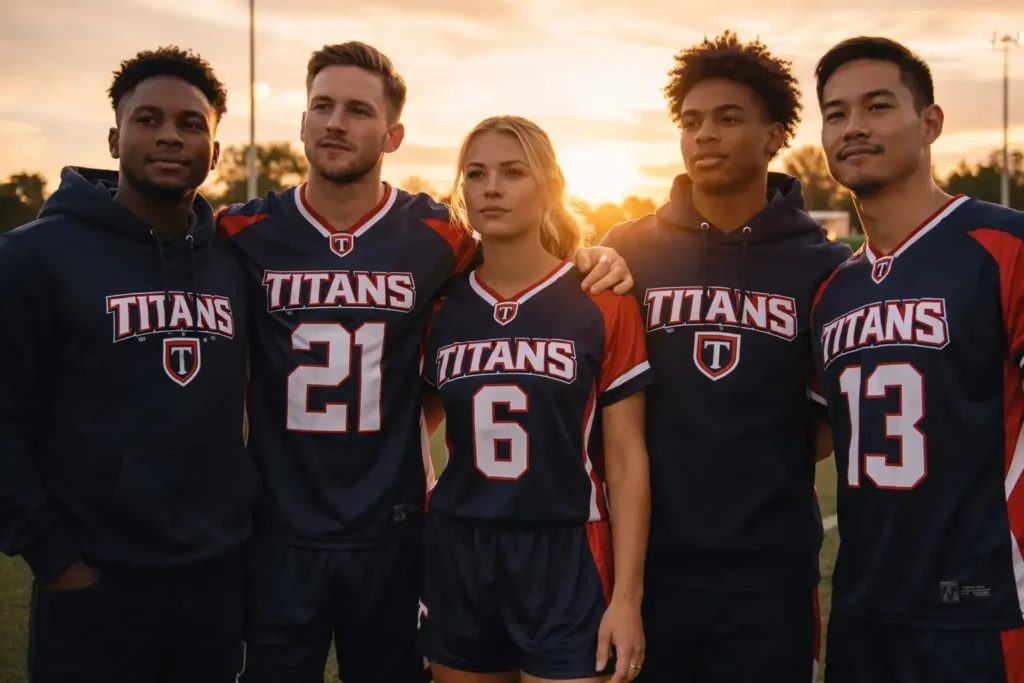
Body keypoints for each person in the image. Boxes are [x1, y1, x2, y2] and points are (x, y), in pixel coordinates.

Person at [216, 42, 635, 683]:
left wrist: (594, 259)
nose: (335, 122)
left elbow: (520, 281)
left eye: (358, 110)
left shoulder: (437, 239)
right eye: (321, 106)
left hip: (398, 534)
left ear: (393, 133)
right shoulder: (238, 232)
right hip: (278, 534)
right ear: (301, 121)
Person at [600, 31, 852, 683]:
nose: (704, 134)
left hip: (769, 579)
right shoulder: (627, 249)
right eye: (691, 121)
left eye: (728, 117)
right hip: (647, 570)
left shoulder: (823, 264)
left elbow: (822, 431)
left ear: (775, 135)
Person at [0, 47, 255, 682]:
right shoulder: (33, 258)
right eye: (149, 119)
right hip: (94, 586)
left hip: (214, 585)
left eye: (191, 123)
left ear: (215, 151)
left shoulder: (231, 261)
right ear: (115, 137)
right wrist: (58, 562)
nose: (170, 135)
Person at [810, 36, 1024, 683]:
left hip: (984, 609)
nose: (854, 127)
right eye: (836, 113)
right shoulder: (831, 292)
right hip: (863, 610)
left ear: (930, 121)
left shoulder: (1003, 246)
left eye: (877, 106)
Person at [417, 114, 652, 683]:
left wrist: (626, 599)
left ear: (551, 187)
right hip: (461, 552)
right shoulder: (440, 308)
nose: (491, 187)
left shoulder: (601, 299)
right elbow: (405, 430)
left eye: (513, 172)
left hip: (567, 550)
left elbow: (625, 461)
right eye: (476, 173)